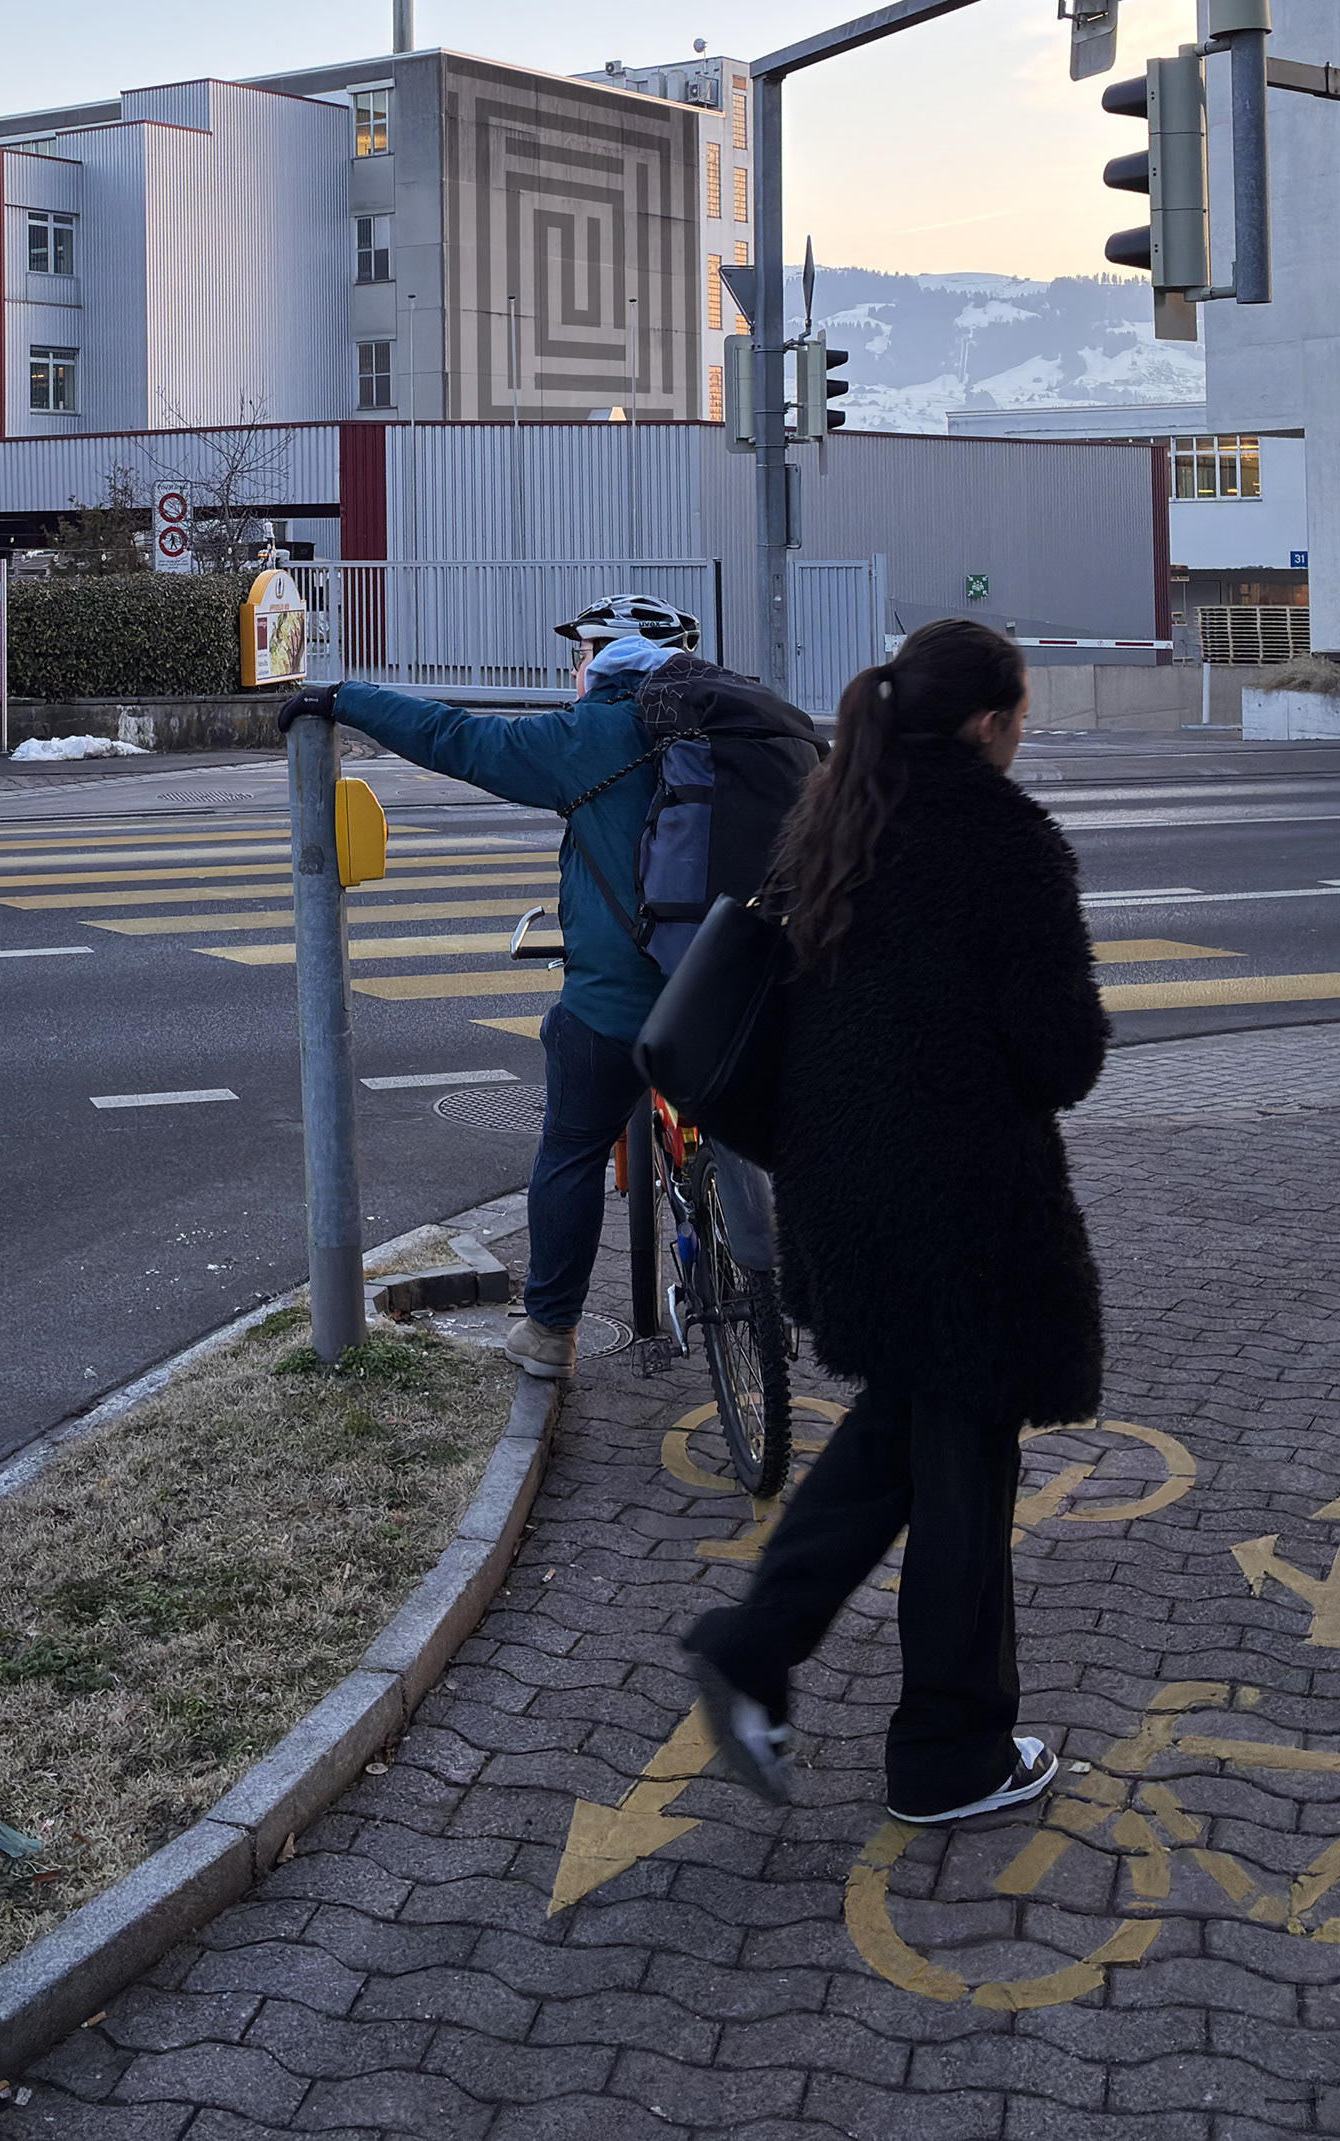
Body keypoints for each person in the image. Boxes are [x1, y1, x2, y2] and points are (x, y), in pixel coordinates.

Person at [682, 616, 1106, 1828]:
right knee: (966, 1452)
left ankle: (754, 1643)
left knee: (899, 1427)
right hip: (962, 1208)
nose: (1022, 739)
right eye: (1020, 717)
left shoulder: (834, 821)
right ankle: (949, 1751)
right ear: (989, 722)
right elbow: (1063, 1053)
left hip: (843, 1193)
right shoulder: (1004, 842)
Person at [277, 596, 817, 1381]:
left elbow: (457, 738)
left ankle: (552, 1331)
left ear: (602, 658)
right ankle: (776, 1276)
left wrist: (344, 698)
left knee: (570, 1143)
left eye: (582, 654)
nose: (574, 669)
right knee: (752, 1112)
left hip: (619, 1005)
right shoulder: (752, 727)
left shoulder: (589, 733)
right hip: (738, 994)